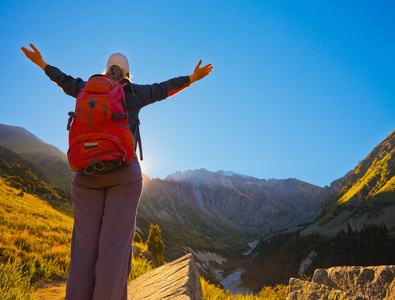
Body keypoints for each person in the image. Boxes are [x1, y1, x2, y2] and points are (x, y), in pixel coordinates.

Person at [21, 43, 213, 300]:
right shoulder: (135, 91)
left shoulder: (85, 88)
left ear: (106, 70)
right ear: (127, 73)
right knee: (113, 251)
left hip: (86, 175)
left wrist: (41, 63)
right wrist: (192, 78)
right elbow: (165, 88)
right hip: (124, 174)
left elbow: (63, 80)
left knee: (83, 250)